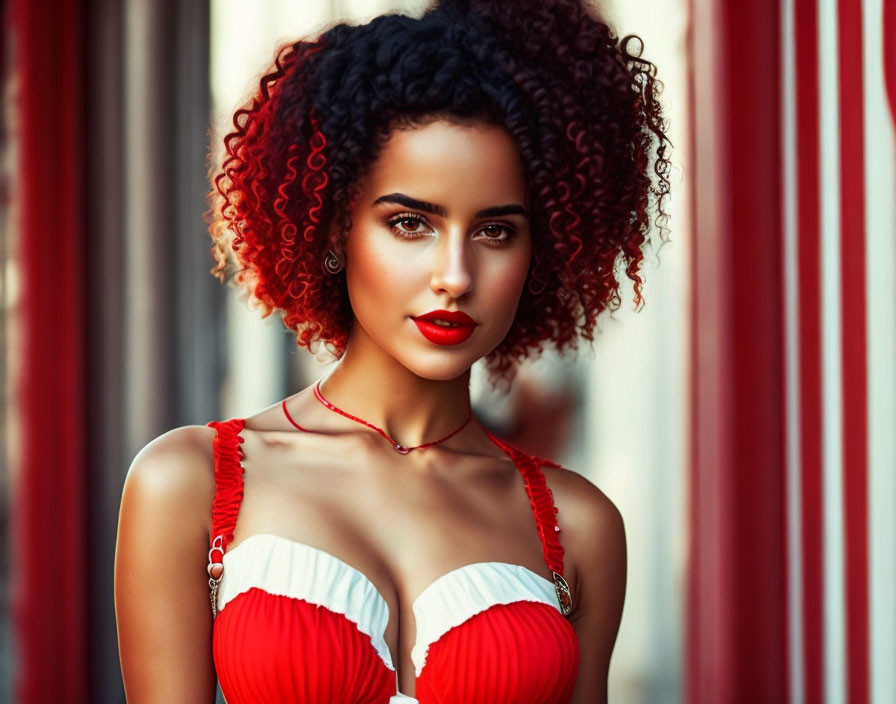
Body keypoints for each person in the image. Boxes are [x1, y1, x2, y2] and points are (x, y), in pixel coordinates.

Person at [114, 0, 670, 701]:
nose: (456, 275)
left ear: (546, 251)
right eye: (411, 223)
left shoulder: (579, 526)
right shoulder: (192, 482)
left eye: (496, 231)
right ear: (331, 227)